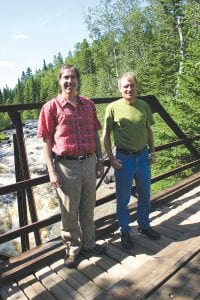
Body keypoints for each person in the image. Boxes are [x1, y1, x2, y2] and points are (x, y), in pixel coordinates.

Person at [37, 64, 106, 268]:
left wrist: (100, 159)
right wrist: (51, 171)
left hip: (89, 162)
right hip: (66, 166)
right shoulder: (50, 107)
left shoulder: (88, 104)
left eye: (73, 77)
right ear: (60, 81)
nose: (69, 81)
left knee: (88, 207)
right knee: (69, 211)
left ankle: (89, 244)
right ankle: (72, 249)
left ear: (78, 80)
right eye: (65, 78)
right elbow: (46, 142)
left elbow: (95, 133)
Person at [103, 71, 160, 249]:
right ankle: (125, 231)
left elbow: (149, 131)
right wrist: (111, 160)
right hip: (123, 159)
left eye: (132, 85)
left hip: (143, 157)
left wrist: (152, 152)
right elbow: (104, 136)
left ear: (137, 87)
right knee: (123, 199)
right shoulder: (112, 107)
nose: (129, 88)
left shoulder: (143, 106)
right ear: (120, 88)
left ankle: (144, 226)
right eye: (125, 86)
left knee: (145, 195)